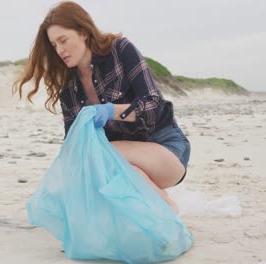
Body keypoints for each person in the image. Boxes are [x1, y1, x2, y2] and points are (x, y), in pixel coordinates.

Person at [13, 1, 190, 212]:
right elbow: (74, 145)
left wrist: (110, 111)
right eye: (54, 45)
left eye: (63, 40)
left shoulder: (119, 50)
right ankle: (166, 206)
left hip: (165, 150)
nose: (60, 50)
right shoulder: (69, 89)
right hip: (123, 164)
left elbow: (153, 104)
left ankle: (164, 205)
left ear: (83, 32)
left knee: (99, 153)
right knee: (87, 166)